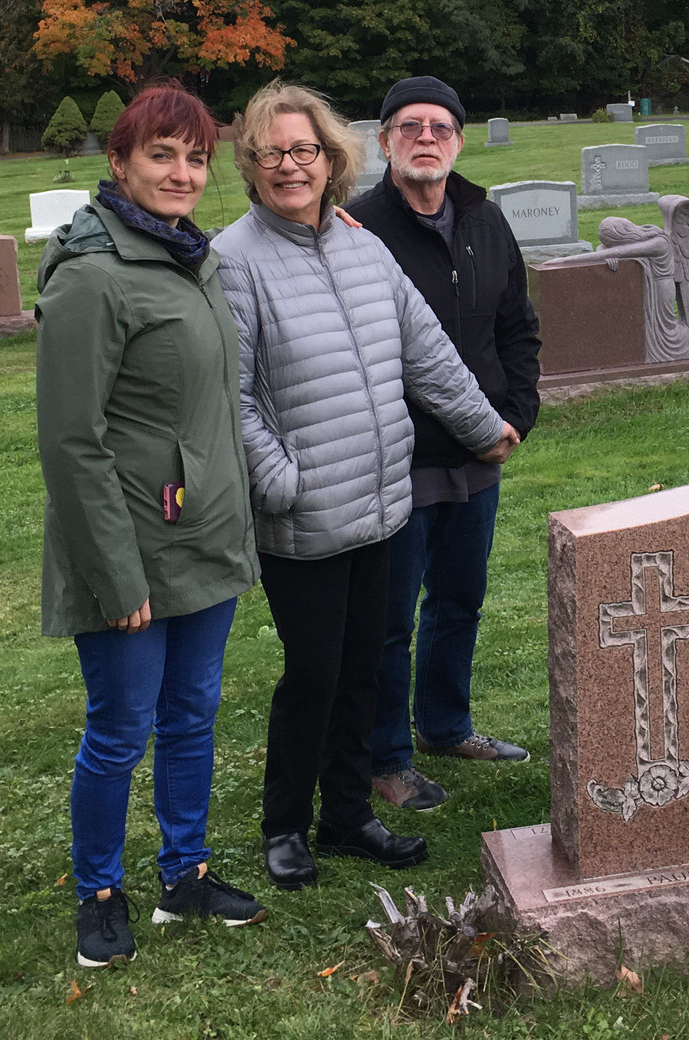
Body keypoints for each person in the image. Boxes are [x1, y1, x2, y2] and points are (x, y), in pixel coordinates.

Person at [213, 84, 517, 892]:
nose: (289, 166)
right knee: (311, 677)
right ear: (250, 162)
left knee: (362, 673)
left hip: (384, 503)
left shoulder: (362, 247)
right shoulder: (234, 260)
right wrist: (281, 482)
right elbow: (231, 397)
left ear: (330, 159)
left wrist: (485, 425)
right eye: (272, 152)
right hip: (305, 514)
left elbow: (425, 353)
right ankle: (285, 825)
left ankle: (347, 815)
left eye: (304, 150)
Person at [35, 81, 267, 970]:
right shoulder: (93, 274)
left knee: (193, 716)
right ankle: (98, 889)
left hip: (202, 537)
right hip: (127, 547)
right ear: (120, 163)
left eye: (196, 156)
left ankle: (186, 873)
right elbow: (71, 440)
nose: (180, 172)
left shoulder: (187, 257)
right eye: (161, 154)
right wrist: (114, 572)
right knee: (121, 727)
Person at [346, 77, 540, 816]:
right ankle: (386, 757)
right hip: (400, 458)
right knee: (390, 619)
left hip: (481, 453)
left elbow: (517, 327)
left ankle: (446, 725)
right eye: (409, 127)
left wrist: (516, 413)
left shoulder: (483, 219)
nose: (425, 138)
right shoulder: (359, 228)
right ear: (386, 140)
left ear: (457, 141)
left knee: (460, 600)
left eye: (440, 128)